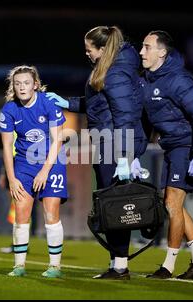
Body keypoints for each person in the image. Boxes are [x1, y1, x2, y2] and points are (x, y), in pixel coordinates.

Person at [47, 26, 148, 280]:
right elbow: (97, 105)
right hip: (108, 143)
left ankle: (120, 267)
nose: (87, 54)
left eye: (89, 50)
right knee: (111, 206)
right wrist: (66, 102)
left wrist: (125, 156)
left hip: (114, 145)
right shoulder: (111, 69)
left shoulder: (115, 73)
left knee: (116, 206)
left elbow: (125, 115)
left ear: (103, 50)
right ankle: (117, 264)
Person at [139, 30, 193, 279]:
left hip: (186, 146)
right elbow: (142, 120)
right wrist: (134, 155)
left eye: (147, 47)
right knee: (174, 205)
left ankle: (168, 266)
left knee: (172, 203)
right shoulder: (146, 80)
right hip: (171, 147)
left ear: (162, 52)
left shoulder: (178, 80)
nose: (141, 52)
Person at [0, 65, 68, 278]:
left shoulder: (48, 103)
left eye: (26, 83)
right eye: (17, 83)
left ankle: (55, 267)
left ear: (35, 85)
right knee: (21, 212)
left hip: (52, 161)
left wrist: (44, 172)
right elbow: (6, 147)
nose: (22, 87)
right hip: (24, 164)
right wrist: (11, 179)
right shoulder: (9, 110)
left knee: (51, 213)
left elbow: (58, 140)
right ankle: (19, 266)